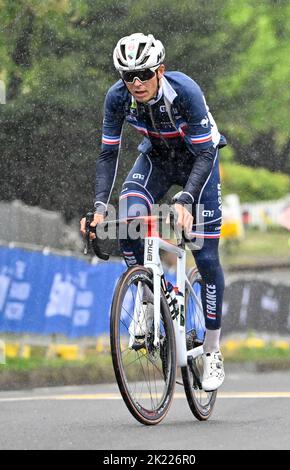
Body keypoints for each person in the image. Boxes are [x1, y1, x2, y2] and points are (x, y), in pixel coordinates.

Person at [80, 33, 226, 391]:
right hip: (157, 159)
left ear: (160, 70)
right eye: (127, 76)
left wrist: (187, 200)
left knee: (205, 257)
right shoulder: (117, 99)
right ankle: (146, 299)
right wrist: (100, 206)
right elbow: (107, 155)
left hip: (198, 164)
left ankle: (212, 350)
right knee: (128, 218)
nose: (136, 83)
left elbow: (206, 154)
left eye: (143, 74)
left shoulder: (185, 91)